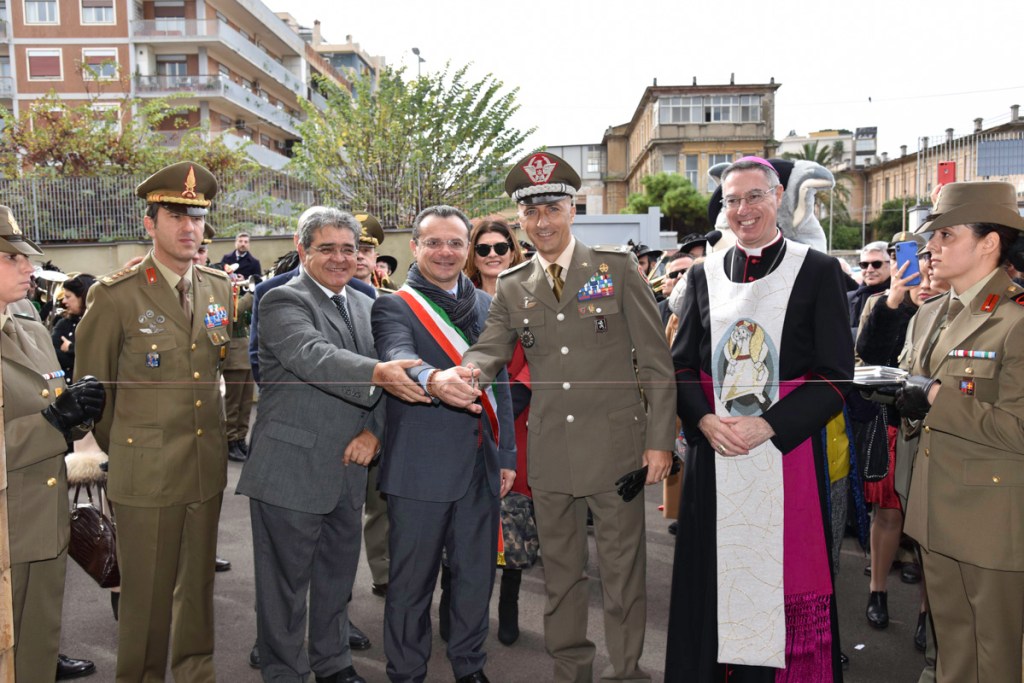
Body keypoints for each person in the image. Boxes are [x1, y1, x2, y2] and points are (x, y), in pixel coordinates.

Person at [434, 152, 676, 682]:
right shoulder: (515, 283)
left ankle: (625, 672)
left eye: (552, 209)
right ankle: (571, 671)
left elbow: (656, 362)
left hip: (617, 453)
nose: (541, 221)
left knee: (622, 574)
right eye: (531, 211)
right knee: (563, 577)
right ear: (520, 218)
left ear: (572, 210)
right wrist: (465, 373)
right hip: (550, 454)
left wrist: (660, 441)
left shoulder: (616, 269)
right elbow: (490, 348)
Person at [667, 156, 852, 681]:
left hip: (784, 454)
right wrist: (704, 421)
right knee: (711, 580)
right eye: (732, 200)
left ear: (778, 197)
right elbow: (681, 366)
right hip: (715, 452)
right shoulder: (702, 274)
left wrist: (769, 425)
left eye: (755, 196)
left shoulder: (818, 270)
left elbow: (836, 376)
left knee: (779, 577)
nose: (743, 209)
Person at [237, 206, 427, 683]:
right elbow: (313, 356)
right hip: (290, 467)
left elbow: (389, 376)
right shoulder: (282, 300)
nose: (341, 258)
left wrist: (374, 433)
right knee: (284, 588)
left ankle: (333, 663)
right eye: (327, 249)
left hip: (350, 465)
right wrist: (378, 373)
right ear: (302, 250)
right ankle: (285, 672)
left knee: (337, 578)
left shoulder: (366, 302)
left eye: (348, 249)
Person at [75, 161, 234, 682]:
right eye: (176, 216)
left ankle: (195, 674)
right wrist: (132, 447)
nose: (190, 228)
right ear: (150, 223)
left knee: (198, 591)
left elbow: (216, 373)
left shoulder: (218, 288)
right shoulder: (115, 294)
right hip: (145, 473)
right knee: (144, 597)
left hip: (203, 468)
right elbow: (94, 395)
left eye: (198, 218)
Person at [371, 204, 516, 683]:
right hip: (419, 468)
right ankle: (406, 671)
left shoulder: (487, 305)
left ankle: (469, 666)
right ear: (415, 247)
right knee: (411, 585)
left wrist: (507, 455)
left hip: (481, 466)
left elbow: (500, 386)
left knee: (475, 578)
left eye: (456, 242)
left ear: (467, 249)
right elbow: (398, 354)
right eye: (434, 242)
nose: (445, 252)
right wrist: (432, 379)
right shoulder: (394, 305)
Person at [896, 181, 1024, 683]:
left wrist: (934, 397)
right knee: (950, 652)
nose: (931, 248)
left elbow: (1017, 429)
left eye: (946, 235)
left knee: (997, 657)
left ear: (989, 242)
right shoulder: (930, 313)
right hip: (935, 508)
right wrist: (902, 398)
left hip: (994, 522)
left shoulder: (1015, 320)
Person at [0, 206, 103, 682]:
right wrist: (52, 422)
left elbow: (53, 407)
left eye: (27, 256)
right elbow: (45, 421)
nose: (29, 267)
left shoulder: (29, 327)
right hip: (7, 531)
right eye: (11, 257)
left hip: (44, 521)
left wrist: (79, 410)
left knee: (38, 650)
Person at [464, 218, 530, 645]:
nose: (492, 255)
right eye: (483, 248)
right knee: (464, 517)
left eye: (500, 247)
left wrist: (509, 403)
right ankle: (458, 604)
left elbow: (542, 358)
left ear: (513, 251)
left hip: (516, 423)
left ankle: (509, 604)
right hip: (465, 417)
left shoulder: (531, 296)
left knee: (514, 517)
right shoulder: (457, 299)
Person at [51, 273, 96, 380]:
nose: (64, 301)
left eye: (68, 297)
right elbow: (52, 355)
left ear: (83, 298)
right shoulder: (63, 323)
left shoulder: (99, 325)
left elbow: (97, 358)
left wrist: (71, 348)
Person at [848, 240, 891, 337]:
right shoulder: (847, 298)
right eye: (864, 265)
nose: (869, 269)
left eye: (876, 264)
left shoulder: (901, 297)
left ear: (891, 264)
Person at [658, 251, 694, 325]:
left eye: (686, 271)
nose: (679, 276)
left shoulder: (710, 303)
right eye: (674, 274)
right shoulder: (659, 310)